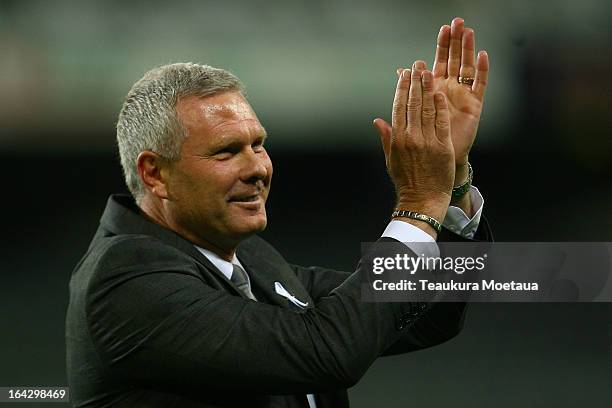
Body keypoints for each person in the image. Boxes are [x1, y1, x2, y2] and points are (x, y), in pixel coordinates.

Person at [66, 17, 492, 408]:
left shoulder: (250, 260)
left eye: (258, 144)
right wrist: (418, 205)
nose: (257, 168)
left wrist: (452, 184)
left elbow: (429, 314)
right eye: (227, 151)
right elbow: (326, 352)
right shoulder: (124, 278)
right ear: (155, 173)